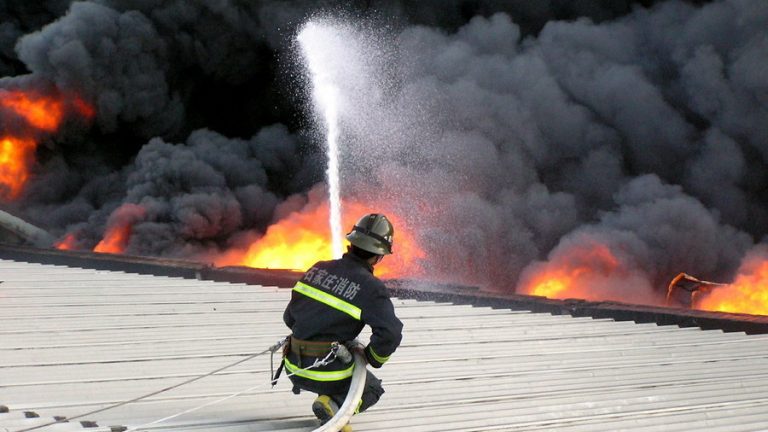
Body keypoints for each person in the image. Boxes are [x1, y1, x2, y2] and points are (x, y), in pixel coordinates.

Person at [282, 213, 403, 431]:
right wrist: (369, 357)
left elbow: (289, 318)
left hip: (293, 367)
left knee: (336, 358)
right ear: (378, 256)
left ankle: (329, 396)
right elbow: (390, 333)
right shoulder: (371, 288)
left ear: (352, 243)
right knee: (371, 389)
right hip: (326, 372)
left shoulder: (318, 269)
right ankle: (334, 404)